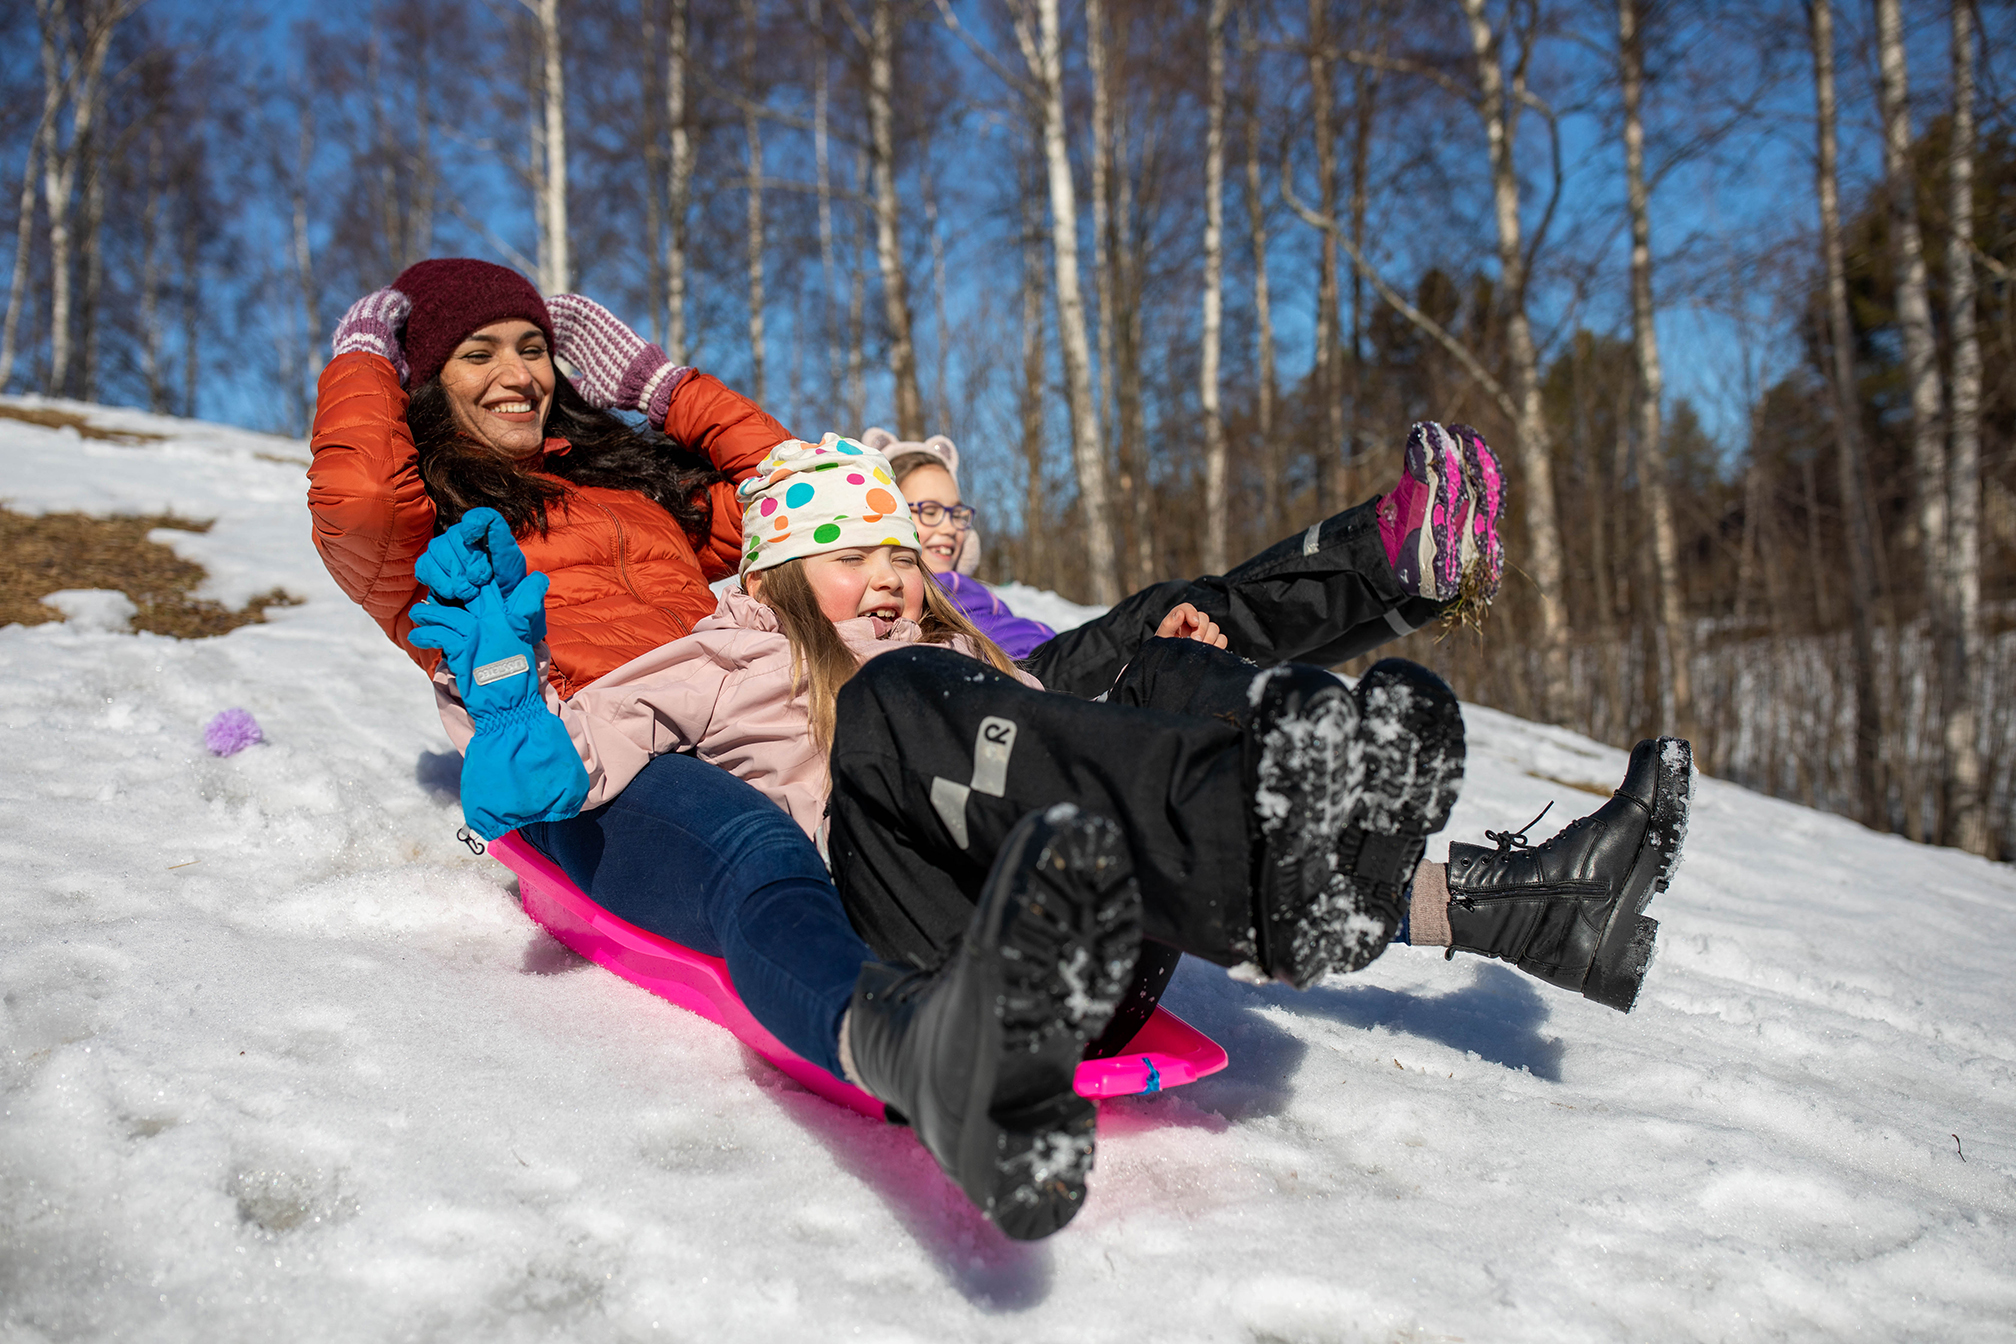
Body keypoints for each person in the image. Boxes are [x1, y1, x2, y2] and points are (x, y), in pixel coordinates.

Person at [418, 436, 1474, 1239]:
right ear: (782, 571)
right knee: (894, 693)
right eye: (849, 556)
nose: (887, 578)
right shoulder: (730, 654)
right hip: (925, 941)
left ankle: (1304, 820)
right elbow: (559, 771)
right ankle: (1249, 824)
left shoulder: (948, 652)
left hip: (1086, 953)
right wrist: (505, 699)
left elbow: (1066, 743)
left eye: (896, 556)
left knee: (1145, 668)